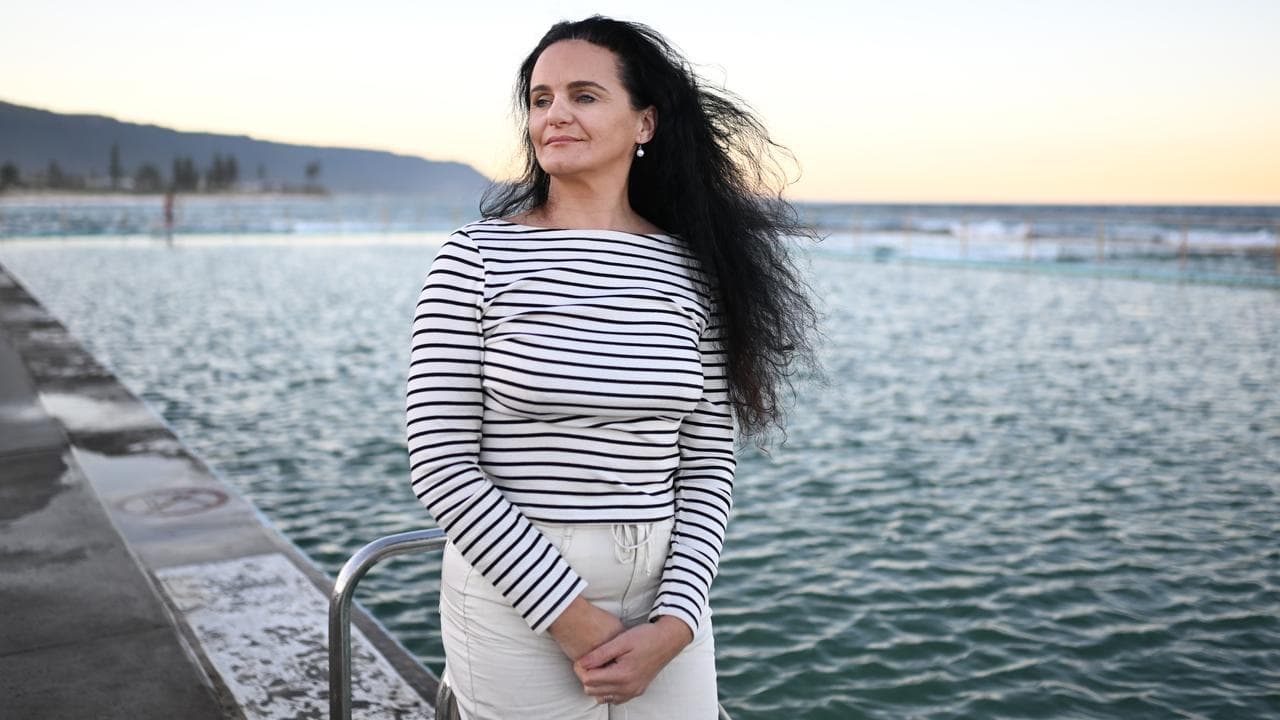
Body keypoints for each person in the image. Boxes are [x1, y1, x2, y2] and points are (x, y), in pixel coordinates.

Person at [406, 15, 816, 719]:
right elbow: (440, 462)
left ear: (645, 123)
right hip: (515, 598)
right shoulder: (475, 258)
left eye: (584, 95)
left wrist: (677, 622)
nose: (555, 114)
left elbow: (708, 460)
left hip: (664, 597)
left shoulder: (693, 268)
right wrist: (568, 615)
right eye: (540, 99)